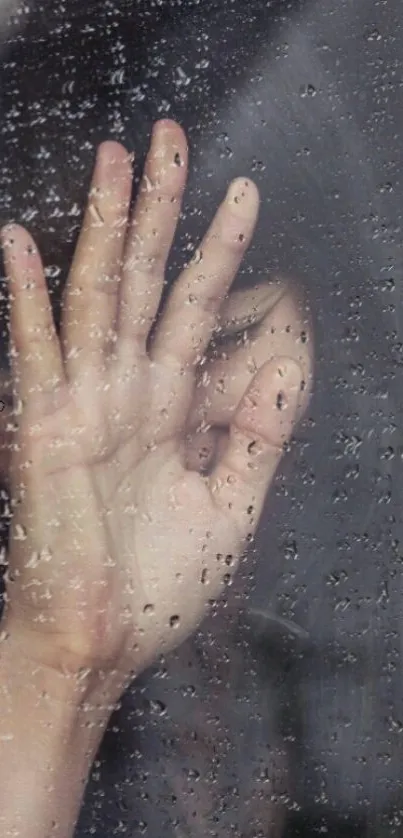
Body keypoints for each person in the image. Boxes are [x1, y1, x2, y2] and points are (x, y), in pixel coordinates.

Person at [0, 119, 312, 838]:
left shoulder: (294, 694)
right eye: (220, 341)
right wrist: (57, 671)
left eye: (284, 436)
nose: (260, 403)